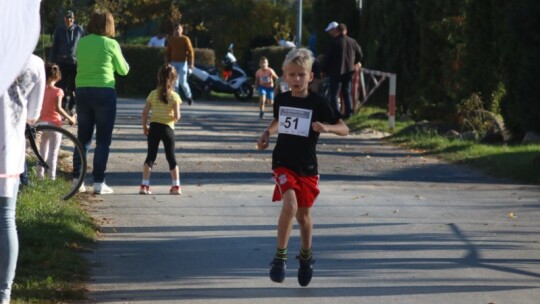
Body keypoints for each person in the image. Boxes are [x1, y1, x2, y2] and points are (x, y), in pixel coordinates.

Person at [256, 48, 349, 287]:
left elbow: (344, 127)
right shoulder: (282, 99)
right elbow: (279, 120)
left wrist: (327, 128)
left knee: (304, 216)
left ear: (310, 76)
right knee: (290, 204)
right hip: (283, 162)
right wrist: (267, 132)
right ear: (284, 76)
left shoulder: (319, 103)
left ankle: (306, 258)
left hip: (307, 166)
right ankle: (280, 258)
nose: (297, 79)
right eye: (292, 74)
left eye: (302, 74)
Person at [1, 54, 45, 304]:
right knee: (6, 220)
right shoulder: (34, 63)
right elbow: (34, 115)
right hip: (8, 150)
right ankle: (3, 294)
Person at [73, 10, 130, 195]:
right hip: (104, 92)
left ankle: (77, 180)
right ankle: (99, 182)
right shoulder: (111, 44)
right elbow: (123, 70)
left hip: (82, 90)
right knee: (103, 141)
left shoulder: (82, 42)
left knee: (83, 138)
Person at [140, 64, 183, 195]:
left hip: (154, 127)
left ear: (159, 78)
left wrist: (145, 127)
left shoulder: (152, 94)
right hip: (168, 129)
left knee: (151, 156)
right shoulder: (174, 96)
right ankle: (176, 186)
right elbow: (177, 116)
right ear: (174, 79)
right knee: (171, 157)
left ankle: (144, 185)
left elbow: (144, 113)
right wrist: (171, 122)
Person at [36, 63, 77, 180]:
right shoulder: (58, 91)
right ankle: (51, 178)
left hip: (42, 124)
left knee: (42, 153)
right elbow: (58, 108)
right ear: (57, 76)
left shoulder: (41, 90)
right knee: (53, 154)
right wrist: (70, 118)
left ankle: (39, 176)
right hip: (55, 125)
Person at [321, 21, 363, 119]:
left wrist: (323, 70)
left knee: (334, 94)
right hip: (349, 71)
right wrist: (354, 63)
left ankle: (337, 115)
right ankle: (348, 114)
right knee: (346, 92)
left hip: (335, 72)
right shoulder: (353, 41)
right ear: (346, 31)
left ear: (337, 31)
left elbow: (328, 58)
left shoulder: (334, 42)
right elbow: (360, 54)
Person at [49, 10, 85, 114]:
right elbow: (54, 47)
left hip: (74, 62)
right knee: (62, 86)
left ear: (74, 19)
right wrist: (51, 62)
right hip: (62, 63)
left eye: (71, 18)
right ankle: (62, 105)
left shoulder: (79, 30)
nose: (69, 20)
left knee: (74, 86)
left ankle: (72, 106)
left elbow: (84, 44)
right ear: (64, 19)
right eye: (67, 18)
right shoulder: (59, 30)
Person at [165, 24, 194, 105]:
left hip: (182, 63)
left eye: (179, 29)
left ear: (182, 30)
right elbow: (167, 52)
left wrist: (191, 63)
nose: (177, 31)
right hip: (173, 62)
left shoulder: (185, 39)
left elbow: (190, 51)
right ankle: (176, 99)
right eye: (176, 29)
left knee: (183, 81)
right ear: (173, 31)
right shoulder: (171, 39)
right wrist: (167, 62)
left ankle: (189, 96)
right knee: (174, 82)